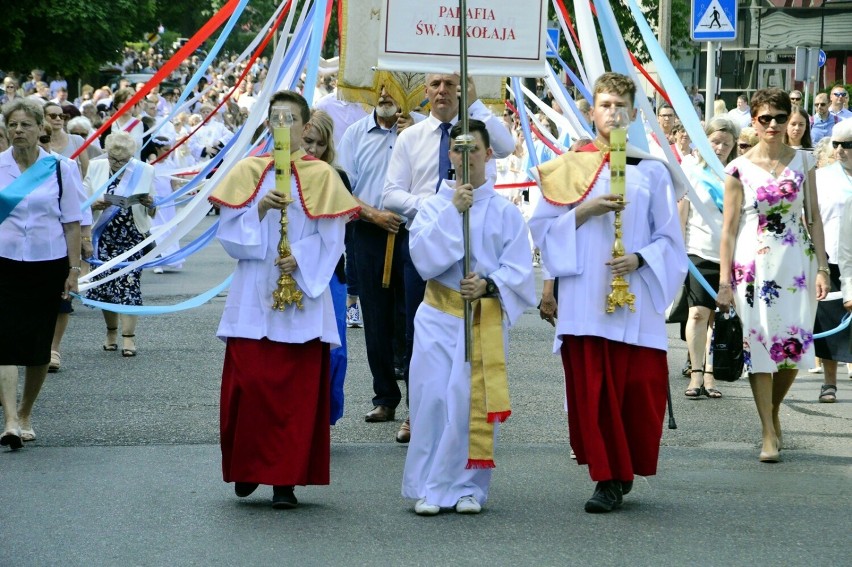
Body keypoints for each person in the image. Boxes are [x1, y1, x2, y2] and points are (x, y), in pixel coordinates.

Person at [529, 72, 688, 513]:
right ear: (592, 111)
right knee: (593, 387)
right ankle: (605, 478)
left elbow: (671, 240)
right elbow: (541, 229)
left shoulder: (651, 170)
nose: (613, 113)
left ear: (634, 114)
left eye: (621, 106)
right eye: (605, 105)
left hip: (632, 295)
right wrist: (584, 211)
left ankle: (624, 468)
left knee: (635, 386)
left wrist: (640, 259)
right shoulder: (569, 166)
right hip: (584, 298)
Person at [209, 90, 358, 509]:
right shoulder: (246, 171)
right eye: (275, 118)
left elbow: (333, 238)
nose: (282, 125)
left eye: (290, 118)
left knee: (295, 392)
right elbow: (228, 235)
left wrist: (302, 260)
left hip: (302, 294)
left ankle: (285, 482)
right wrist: (257, 211)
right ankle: (248, 466)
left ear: (305, 126)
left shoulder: (323, 176)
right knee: (251, 385)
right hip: (254, 292)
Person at [402, 119, 536, 515]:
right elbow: (423, 260)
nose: (465, 156)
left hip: (482, 318)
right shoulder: (432, 206)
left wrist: (490, 284)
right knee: (431, 399)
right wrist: (452, 213)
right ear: (449, 155)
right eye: (457, 148)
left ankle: (467, 487)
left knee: (468, 401)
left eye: (473, 148)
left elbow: (519, 269)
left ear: (487, 153)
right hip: (437, 314)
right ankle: (428, 485)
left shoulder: (505, 212)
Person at [382, 74, 514, 429]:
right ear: (424, 92)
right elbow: (391, 193)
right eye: (435, 84)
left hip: (479, 235)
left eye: (451, 85)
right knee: (417, 333)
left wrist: (474, 103)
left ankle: (468, 417)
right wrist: (438, 207)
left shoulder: (475, 131)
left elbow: (506, 146)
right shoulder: (411, 137)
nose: (443, 91)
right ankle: (418, 410)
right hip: (428, 238)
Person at [717, 88, 830, 463]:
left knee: (794, 349)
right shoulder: (738, 168)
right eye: (765, 118)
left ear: (789, 120)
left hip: (797, 263)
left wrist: (824, 268)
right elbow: (729, 229)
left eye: (779, 118)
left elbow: (812, 217)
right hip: (753, 265)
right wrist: (723, 282)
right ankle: (767, 429)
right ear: (754, 121)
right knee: (761, 347)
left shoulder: (805, 162)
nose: (773, 125)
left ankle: (774, 410)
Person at [0, 98, 83, 449]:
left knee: (38, 345)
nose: (18, 130)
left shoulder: (61, 169)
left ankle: (26, 411)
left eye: (25, 125)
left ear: (40, 128)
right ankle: (10, 420)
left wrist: (74, 270)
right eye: (12, 125)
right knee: (3, 341)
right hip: (3, 261)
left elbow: (72, 224)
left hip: (47, 263)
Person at [338, 82, 418, 441]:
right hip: (369, 231)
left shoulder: (422, 132)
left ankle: (418, 402)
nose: (386, 97)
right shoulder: (355, 134)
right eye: (380, 90)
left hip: (413, 231)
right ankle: (385, 396)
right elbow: (342, 190)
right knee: (375, 316)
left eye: (393, 91)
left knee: (416, 317)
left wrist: (413, 134)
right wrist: (373, 215)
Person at [678, 117, 739, 399]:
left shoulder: (738, 173)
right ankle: (696, 374)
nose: (720, 147)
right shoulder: (690, 169)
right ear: (705, 141)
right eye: (715, 141)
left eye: (726, 143)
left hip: (730, 255)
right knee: (699, 312)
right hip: (697, 250)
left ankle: (712, 373)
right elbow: (682, 210)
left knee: (719, 318)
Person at [84, 132, 156, 358]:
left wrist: (149, 202)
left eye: (122, 161)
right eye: (113, 159)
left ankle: (129, 338)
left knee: (129, 284)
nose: (116, 164)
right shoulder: (96, 167)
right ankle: (111, 333)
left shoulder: (145, 170)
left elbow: (153, 208)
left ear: (131, 156)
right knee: (105, 285)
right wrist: (94, 204)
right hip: (103, 237)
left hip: (133, 238)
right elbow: (82, 204)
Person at [300, 109, 350, 425]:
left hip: (331, 272)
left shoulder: (337, 177)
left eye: (319, 144)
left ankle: (325, 415)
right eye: (307, 142)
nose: (312, 150)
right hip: (293, 271)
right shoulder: (282, 174)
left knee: (335, 350)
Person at [812, 121, 852, 402]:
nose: (840, 150)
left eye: (847, 145)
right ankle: (829, 383)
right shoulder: (821, 177)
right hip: (830, 260)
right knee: (828, 321)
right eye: (836, 144)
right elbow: (810, 219)